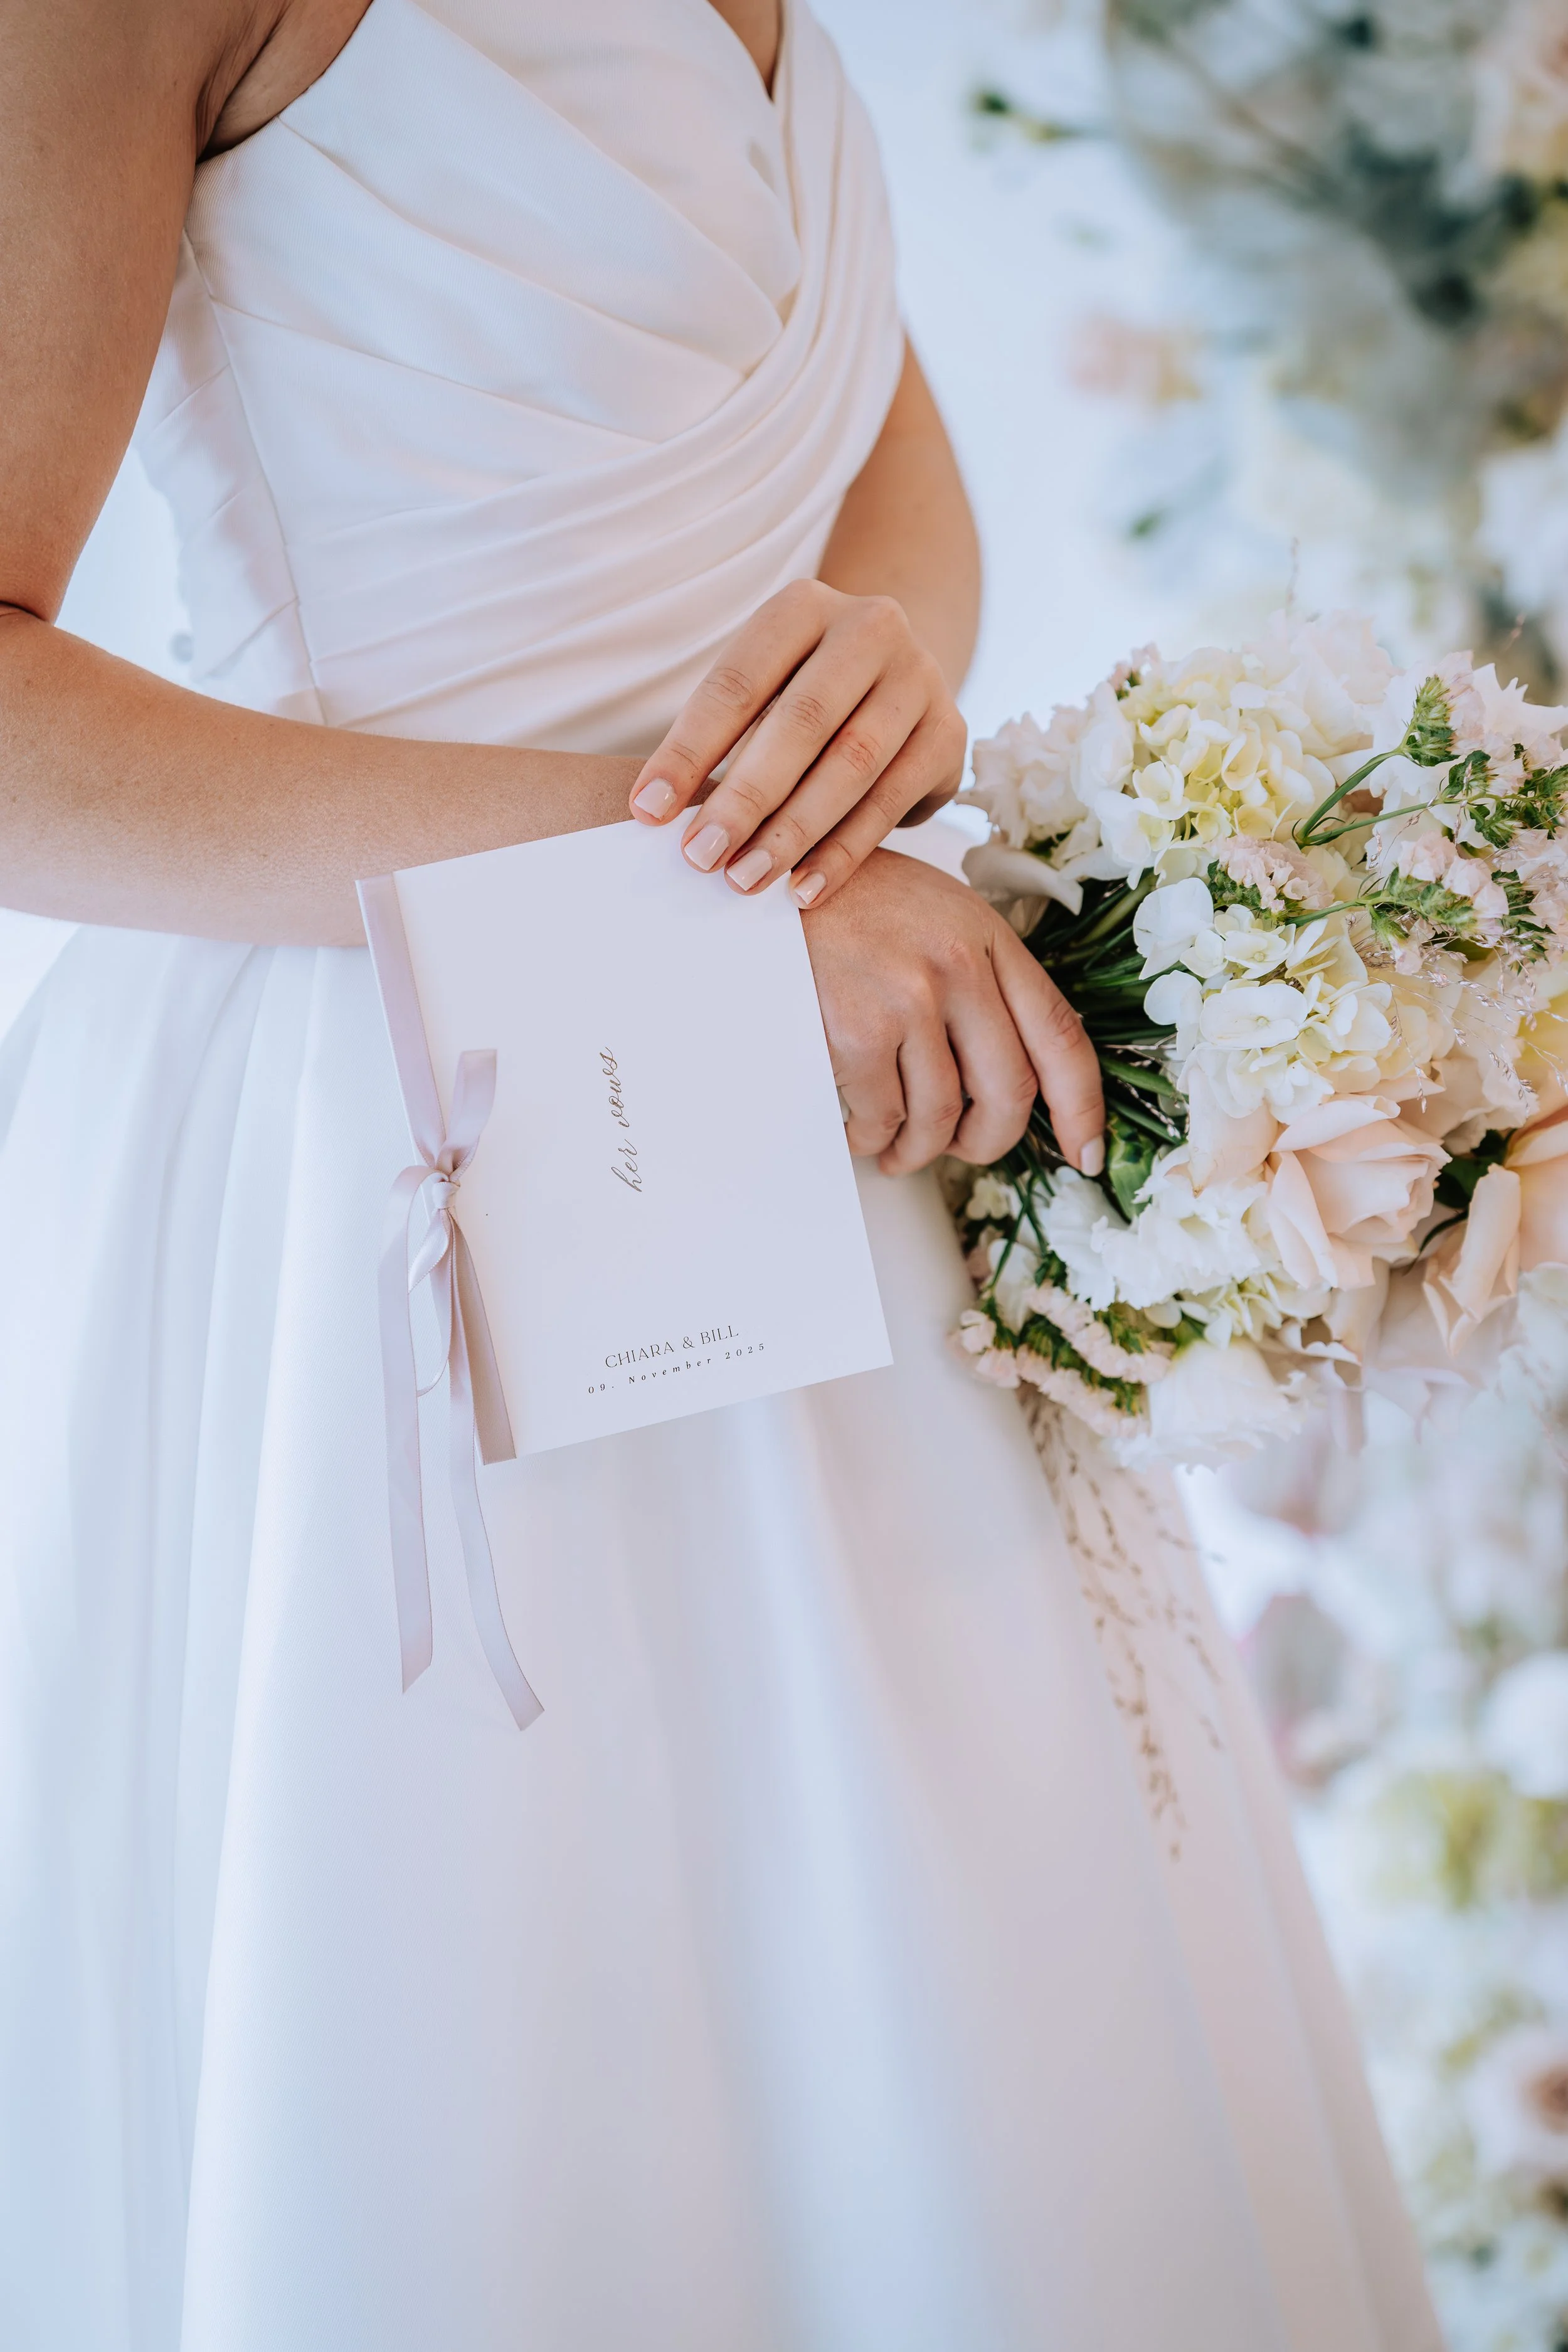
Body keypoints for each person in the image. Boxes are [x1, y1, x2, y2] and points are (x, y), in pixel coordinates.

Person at [0, 1, 1439, 2346]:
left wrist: (869, 666)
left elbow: (874, 470)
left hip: (834, 1098)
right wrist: (685, 879)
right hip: (397, 1120)